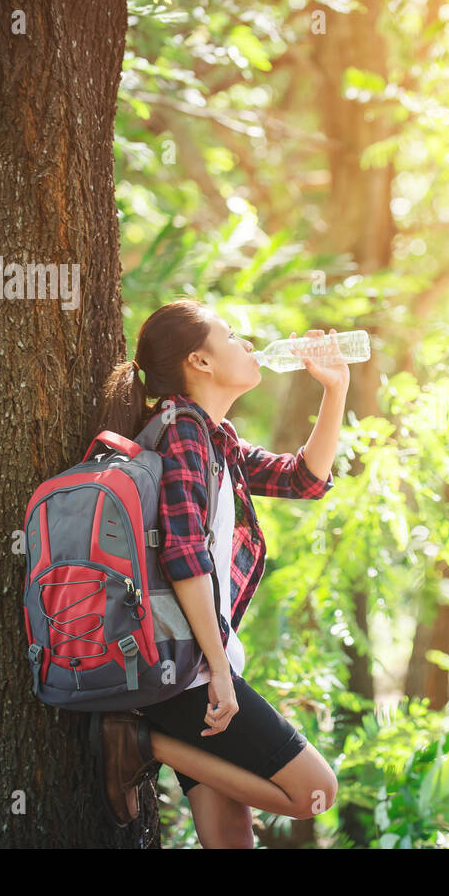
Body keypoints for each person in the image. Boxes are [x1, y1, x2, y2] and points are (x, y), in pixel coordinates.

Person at [90, 298, 346, 847]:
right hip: (189, 672)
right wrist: (219, 671)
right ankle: (140, 743)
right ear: (199, 362)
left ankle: (143, 738)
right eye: (232, 337)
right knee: (314, 792)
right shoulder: (180, 430)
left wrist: (335, 390)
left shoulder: (211, 437)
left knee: (232, 840)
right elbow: (184, 557)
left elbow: (302, 479)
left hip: (186, 666)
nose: (248, 346)